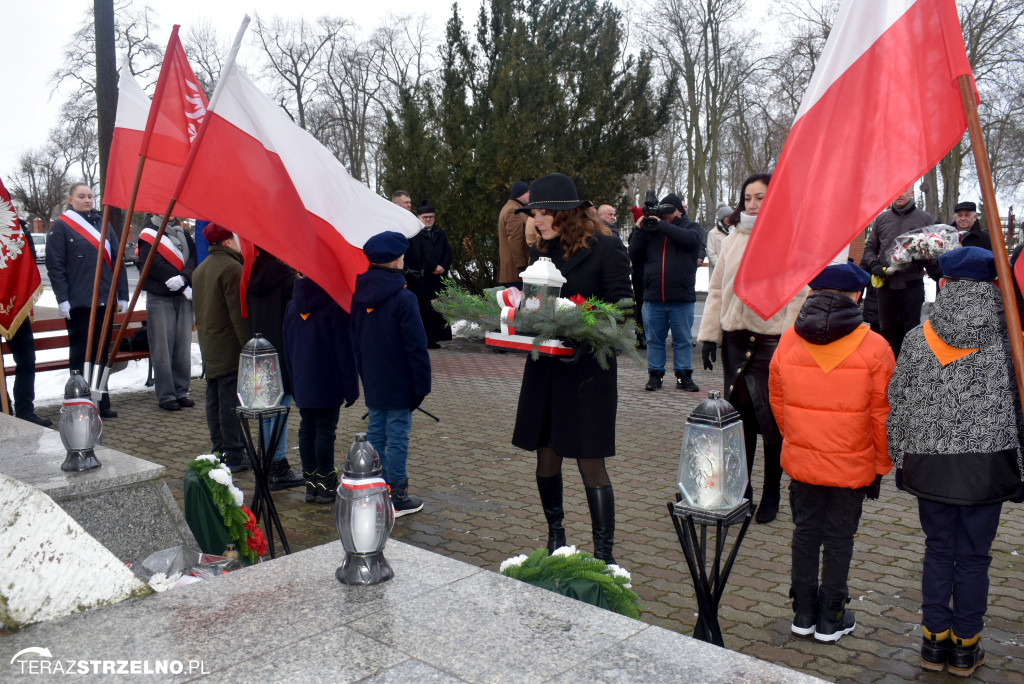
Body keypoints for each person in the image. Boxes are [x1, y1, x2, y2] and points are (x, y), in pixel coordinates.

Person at [886, 246, 1023, 677]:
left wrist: (900, 460)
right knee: (975, 557)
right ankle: (966, 646)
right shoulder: (1014, 342)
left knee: (939, 551)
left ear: (944, 284)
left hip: (930, 463)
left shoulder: (916, 337)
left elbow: (899, 404)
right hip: (990, 468)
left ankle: (933, 642)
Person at [769, 262, 895, 644]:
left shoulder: (789, 339)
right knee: (840, 539)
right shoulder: (876, 346)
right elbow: (882, 415)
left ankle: (803, 611)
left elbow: (777, 400)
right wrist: (880, 465)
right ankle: (832, 615)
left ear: (814, 294)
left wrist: (797, 437)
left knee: (805, 533)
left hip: (803, 461)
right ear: (858, 296)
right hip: (852, 465)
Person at [510, 173, 633, 564]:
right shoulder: (538, 254)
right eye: (535, 213)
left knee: (590, 460)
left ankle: (604, 554)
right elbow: (534, 306)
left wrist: (581, 324)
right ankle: (556, 534)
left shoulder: (607, 249)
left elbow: (624, 312)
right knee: (546, 457)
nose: (538, 220)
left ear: (568, 215)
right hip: (546, 370)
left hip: (587, 372)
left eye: (544, 213)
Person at [697, 172, 808, 524]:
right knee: (738, 422)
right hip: (734, 340)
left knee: (772, 421)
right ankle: (741, 492)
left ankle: (772, 493)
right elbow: (716, 291)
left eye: (760, 198)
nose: (753, 204)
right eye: (748, 198)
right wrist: (710, 335)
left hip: (771, 341)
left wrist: (789, 341)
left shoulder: (789, 238)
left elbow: (798, 295)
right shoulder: (731, 240)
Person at [351, 231, 432, 516]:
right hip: (399, 381)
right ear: (398, 261)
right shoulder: (403, 298)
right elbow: (417, 347)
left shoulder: (358, 296)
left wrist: (363, 374)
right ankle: (396, 495)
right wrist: (422, 386)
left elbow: (356, 340)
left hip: (374, 378)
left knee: (376, 433)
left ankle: (375, 488)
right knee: (397, 437)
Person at [44, 182, 128, 419]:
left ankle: (101, 399)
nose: (88, 200)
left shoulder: (103, 224)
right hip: (79, 303)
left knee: (101, 352)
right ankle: (78, 400)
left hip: (105, 299)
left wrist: (122, 294)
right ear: (70, 199)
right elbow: (55, 265)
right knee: (80, 353)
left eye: (90, 196)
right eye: (82, 196)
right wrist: (62, 299)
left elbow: (117, 259)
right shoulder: (61, 227)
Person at [282, 275, 360, 504]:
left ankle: (311, 483)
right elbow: (344, 351)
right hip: (328, 380)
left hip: (303, 380)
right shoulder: (334, 306)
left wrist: (293, 381)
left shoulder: (292, 306)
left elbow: (287, 347)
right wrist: (351, 388)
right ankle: (326, 482)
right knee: (325, 430)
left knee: (308, 428)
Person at [628, 193, 703, 392]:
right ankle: (655, 375)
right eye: (663, 208)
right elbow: (634, 254)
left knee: (683, 340)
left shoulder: (691, 228)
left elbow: (691, 241)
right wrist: (639, 229)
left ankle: (684, 376)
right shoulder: (650, 231)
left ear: (680, 210)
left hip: (681, 297)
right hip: (653, 297)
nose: (665, 212)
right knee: (654, 340)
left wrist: (662, 225)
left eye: (670, 208)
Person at [192, 223, 250, 473]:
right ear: (228, 242)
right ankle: (234, 453)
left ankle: (219, 448)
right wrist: (249, 347)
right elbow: (238, 314)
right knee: (229, 402)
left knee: (214, 398)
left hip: (210, 343)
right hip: (229, 345)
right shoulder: (232, 268)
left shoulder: (201, 269)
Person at [246, 248, 303, 490]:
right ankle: (277, 465)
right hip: (282, 350)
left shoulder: (253, 275)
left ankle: (266, 462)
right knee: (279, 410)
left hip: (261, 351)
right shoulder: (286, 279)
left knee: (266, 409)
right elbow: (294, 320)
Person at [862, 186, 934, 357]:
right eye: (896, 189)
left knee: (912, 329)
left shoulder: (925, 218)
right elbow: (870, 248)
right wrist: (874, 266)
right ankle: (886, 367)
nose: (899, 193)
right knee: (885, 328)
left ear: (912, 193)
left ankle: (909, 369)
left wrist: (922, 258)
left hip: (912, 284)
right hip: (886, 284)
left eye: (904, 189)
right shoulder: (881, 219)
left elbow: (933, 249)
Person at [138, 214, 197, 412]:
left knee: (182, 346)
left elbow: (193, 258)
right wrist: (179, 283)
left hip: (183, 295)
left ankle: (181, 390)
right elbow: (152, 263)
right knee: (162, 347)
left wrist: (184, 278)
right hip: (160, 296)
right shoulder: (148, 233)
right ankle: (166, 394)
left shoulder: (183, 233)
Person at [405, 200, 453, 349]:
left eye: (431, 216)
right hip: (423, 279)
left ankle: (434, 338)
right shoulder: (414, 234)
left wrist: (444, 266)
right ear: (418, 217)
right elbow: (418, 255)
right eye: (425, 217)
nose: (428, 219)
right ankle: (424, 339)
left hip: (439, 278)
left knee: (436, 311)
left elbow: (447, 252)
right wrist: (432, 267)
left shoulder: (440, 233)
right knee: (424, 310)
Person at [498, 180, 531, 288]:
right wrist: (521, 266)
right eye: (528, 192)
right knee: (519, 304)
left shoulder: (513, 207)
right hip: (516, 273)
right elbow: (515, 240)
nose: (530, 195)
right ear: (520, 194)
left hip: (516, 272)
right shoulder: (513, 210)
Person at [705, 202, 732, 282]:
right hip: (718, 273)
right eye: (726, 217)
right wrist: (722, 267)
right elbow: (711, 253)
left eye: (730, 216)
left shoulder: (735, 231)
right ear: (722, 218)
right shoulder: (713, 233)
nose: (729, 218)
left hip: (733, 272)